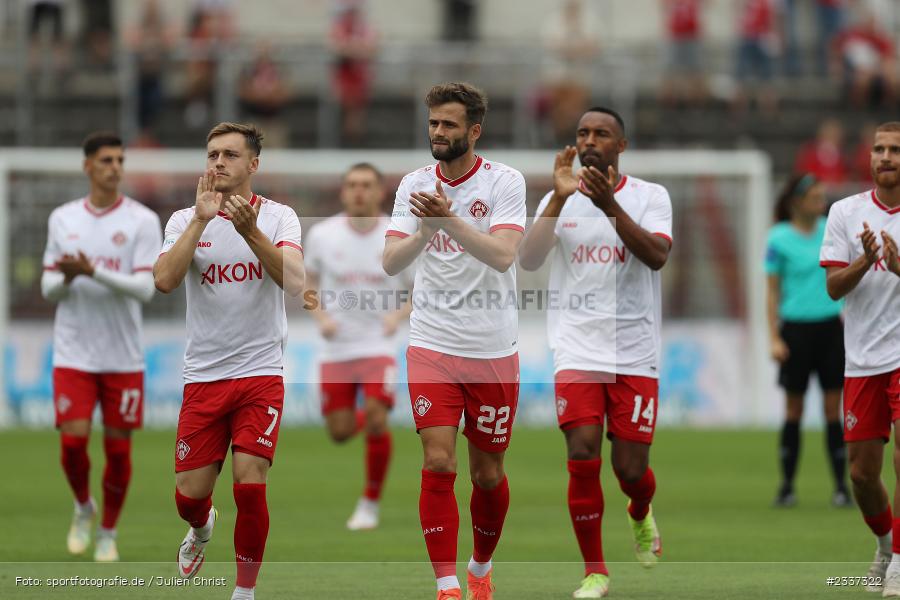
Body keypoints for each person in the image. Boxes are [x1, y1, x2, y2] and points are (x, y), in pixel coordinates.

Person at [518, 107, 672, 598]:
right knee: (582, 453)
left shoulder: (650, 196)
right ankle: (595, 570)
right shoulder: (559, 198)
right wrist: (558, 201)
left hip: (634, 352)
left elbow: (656, 255)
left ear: (620, 146)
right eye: (582, 133)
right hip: (577, 350)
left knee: (630, 471)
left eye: (601, 134)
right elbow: (529, 258)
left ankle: (641, 510)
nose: (589, 140)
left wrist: (609, 205)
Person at [383, 82, 526, 600]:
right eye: (433, 124)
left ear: (474, 131)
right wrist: (423, 232)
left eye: (448, 124)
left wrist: (448, 221)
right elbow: (391, 261)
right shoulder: (414, 184)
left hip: (492, 349)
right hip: (432, 343)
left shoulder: (505, 182)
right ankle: (447, 586)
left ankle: (480, 567)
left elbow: (504, 255)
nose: (438, 133)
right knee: (438, 460)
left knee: (487, 474)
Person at [153, 122, 304, 600]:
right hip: (204, 376)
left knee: (249, 483)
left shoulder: (279, 218)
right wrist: (201, 220)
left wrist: (250, 231)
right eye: (213, 154)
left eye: (230, 155)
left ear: (253, 165)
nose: (218, 163)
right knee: (188, 497)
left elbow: (296, 282)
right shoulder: (183, 220)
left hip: (261, 373)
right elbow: (163, 280)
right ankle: (200, 528)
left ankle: (245, 592)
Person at [40, 131, 162, 562]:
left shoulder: (142, 221)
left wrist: (93, 272)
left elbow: (146, 289)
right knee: (72, 444)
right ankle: (82, 507)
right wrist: (71, 276)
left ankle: (108, 530)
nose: (115, 167)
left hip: (122, 356)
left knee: (117, 450)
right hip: (73, 353)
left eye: (120, 160)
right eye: (106, 160)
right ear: (87, 165)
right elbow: (49, 287)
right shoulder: (63, 219)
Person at [304, 163, 411, 530]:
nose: (359, 191)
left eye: (366, 185)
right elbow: (308, 281)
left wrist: (397, 317)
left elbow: (420, 288)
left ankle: (369, 503)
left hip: (379, 345)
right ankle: (370, 422)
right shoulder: (322, 234)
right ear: (343, 191)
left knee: (378, 419)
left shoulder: (396, 234)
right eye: (352, 185)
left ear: (381, 192)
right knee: (339, 431)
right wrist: (320, 318)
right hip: (336, 348)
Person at [819, 121, 900, 595]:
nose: (885, 156)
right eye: (879, 149)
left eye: (894, 149)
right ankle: (886, 543)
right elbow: (832, 287)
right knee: (861, 474)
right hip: (863, 359)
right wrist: (866, 261)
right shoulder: (845, 213)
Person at [766, 173, 849, 508]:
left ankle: (842, 488)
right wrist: (774, 337)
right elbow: (771, 293)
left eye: (821, 195)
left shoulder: (833, 227)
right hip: (796, 332)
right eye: (814, 196)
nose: (820, 201)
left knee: (833, 409)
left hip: (831, 328)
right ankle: (787, 486)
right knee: (794, 409)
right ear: (797, 201)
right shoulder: (779, 237)